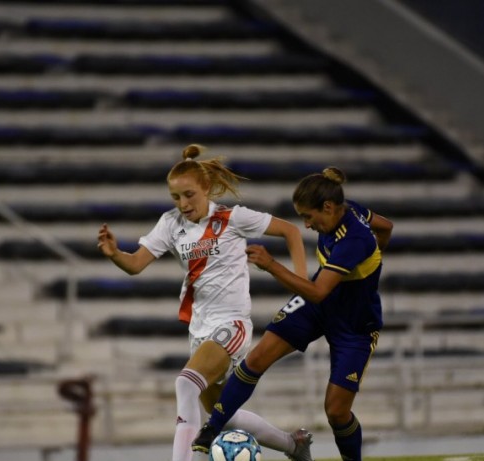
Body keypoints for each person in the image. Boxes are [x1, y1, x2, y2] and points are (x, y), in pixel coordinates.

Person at [97, 144, 314, 461]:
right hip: (200, 330)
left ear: (207, 189)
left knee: (185, 383)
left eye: (189, 195)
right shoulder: (170, 224)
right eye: (175, 197)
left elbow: (291, 232)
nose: (182, 204)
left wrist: (303, 284)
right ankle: (294, 445)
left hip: (232, 324)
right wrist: (116, 254)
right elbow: (136, 264)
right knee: (221, 414)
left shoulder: (232, 218)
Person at [192, 167, 393, 461]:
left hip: (354, 324)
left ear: (327, 207)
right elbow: (386, 227)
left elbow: (317, 291)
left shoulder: (355, 241)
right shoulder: (349, 209)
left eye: (309, 217)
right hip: (318, 307)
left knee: (336, 411)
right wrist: (376, 257)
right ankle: (211, 429)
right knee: (257, 357)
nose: (308, 225)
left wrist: (272, 265)